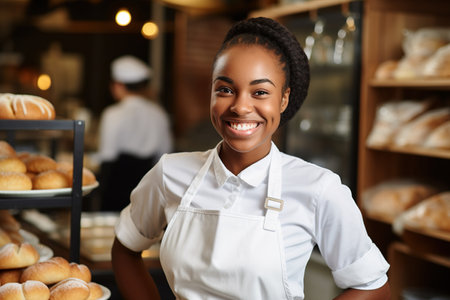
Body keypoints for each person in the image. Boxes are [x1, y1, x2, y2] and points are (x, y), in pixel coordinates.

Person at [111, 17, 390, 299]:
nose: (241, 106)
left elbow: (373, 285)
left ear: (283, 99)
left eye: (260, 92)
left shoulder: (318, 188)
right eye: (225, 89)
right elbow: (125, 248)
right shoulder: (170, 172)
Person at [97, 55, 173, 211]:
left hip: (115, 187)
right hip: (147, 186)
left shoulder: (112, 114)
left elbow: (107, 155)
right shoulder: (158, 113)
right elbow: (165, 153)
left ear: (118, 85)